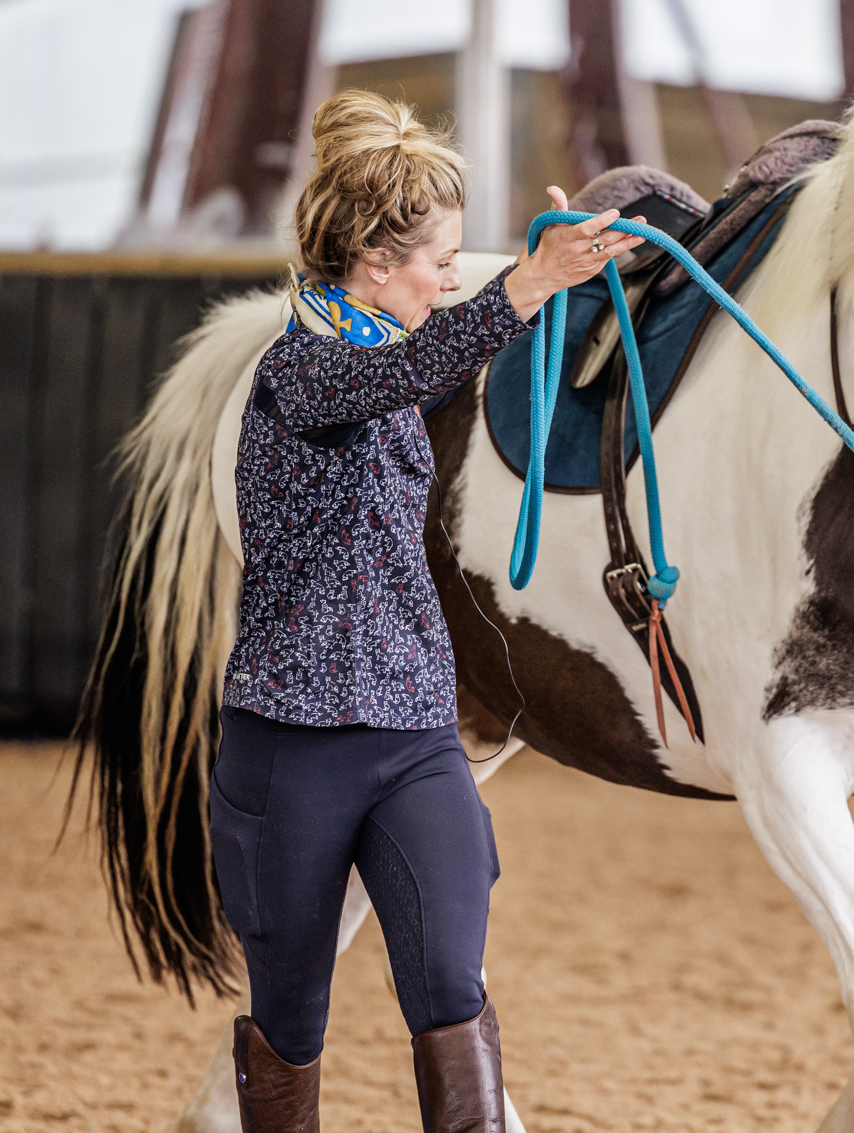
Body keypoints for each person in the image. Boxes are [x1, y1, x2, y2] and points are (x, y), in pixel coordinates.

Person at [209, 89, 643, 1133]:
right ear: (369, 256)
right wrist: (525, 286)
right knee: (292, 1018)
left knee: (452, 983)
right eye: (439, 259)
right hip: (290, 739)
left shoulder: (382, 352)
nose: (453, 277)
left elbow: (434, 351)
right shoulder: (301, 372)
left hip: (411, 729)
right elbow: (416, 360)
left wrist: (563, 274)